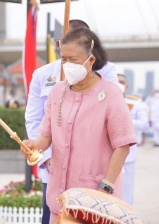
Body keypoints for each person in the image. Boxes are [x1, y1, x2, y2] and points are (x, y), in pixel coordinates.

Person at [23, 28, 137, 224]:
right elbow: (46, 134)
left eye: (72, 59)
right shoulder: (57, 92)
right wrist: (35, 145)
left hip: (95, 201)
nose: (66, 65)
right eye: (63, 59)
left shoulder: (111, 94)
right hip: (60, 199)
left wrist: (107, 186)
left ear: (90, 60)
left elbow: (122, 145)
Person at [117, 74, 149, 206]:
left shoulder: (135, 102)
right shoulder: (102, 99)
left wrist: (125, 120)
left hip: (127, 154)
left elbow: (144, 124)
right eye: (116, 81)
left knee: (126, 192)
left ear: (126, 86)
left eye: (121, 82)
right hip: (106, 153)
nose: (119, 84)